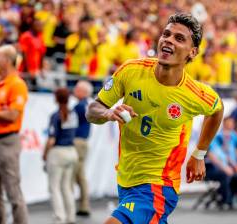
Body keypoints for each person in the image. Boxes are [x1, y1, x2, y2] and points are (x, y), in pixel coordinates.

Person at [86, 13, 224, 224]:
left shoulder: (195, 94)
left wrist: (199, 153)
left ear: (192, 52)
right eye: (166, 34)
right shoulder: (131, 71)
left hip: (160, 184)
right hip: (126, 179)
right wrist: (107, 113)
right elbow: (92, 110)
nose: (168, 40)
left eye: (179, 38)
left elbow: (216, 110)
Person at [0, 45, 29, 224]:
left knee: (13, 192)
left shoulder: (17, 84)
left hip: (6, 141)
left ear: (8, 61)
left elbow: (12, 115)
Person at [43, 88, 79, 224]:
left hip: (58, 152)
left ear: (57, 99)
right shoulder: (73, 113)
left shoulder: (56, 115)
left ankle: (60, 218)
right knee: (66, 186)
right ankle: (71, 216)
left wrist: (45, 154)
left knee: (54, 187)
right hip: (71, 151)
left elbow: (51, 139)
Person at [73, 80, 93, 216]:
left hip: (77, 142)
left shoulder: (80, 106)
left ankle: (83, 205)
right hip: (83, 142)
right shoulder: (87, 105)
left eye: (77, 88)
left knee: (77, 175)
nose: (75, 90)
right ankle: (83, 204)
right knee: (80, 175)